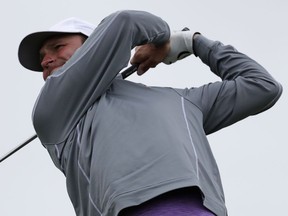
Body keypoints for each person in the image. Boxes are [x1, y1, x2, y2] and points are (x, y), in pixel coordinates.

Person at [18, 10, 282, 216]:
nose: (45, 60)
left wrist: (192, 42)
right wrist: (162, 40)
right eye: (42, 56)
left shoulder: (180, 100)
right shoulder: (53, 111)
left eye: (57, 47)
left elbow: (262, 87)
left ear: (92, 47)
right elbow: (128, 22)